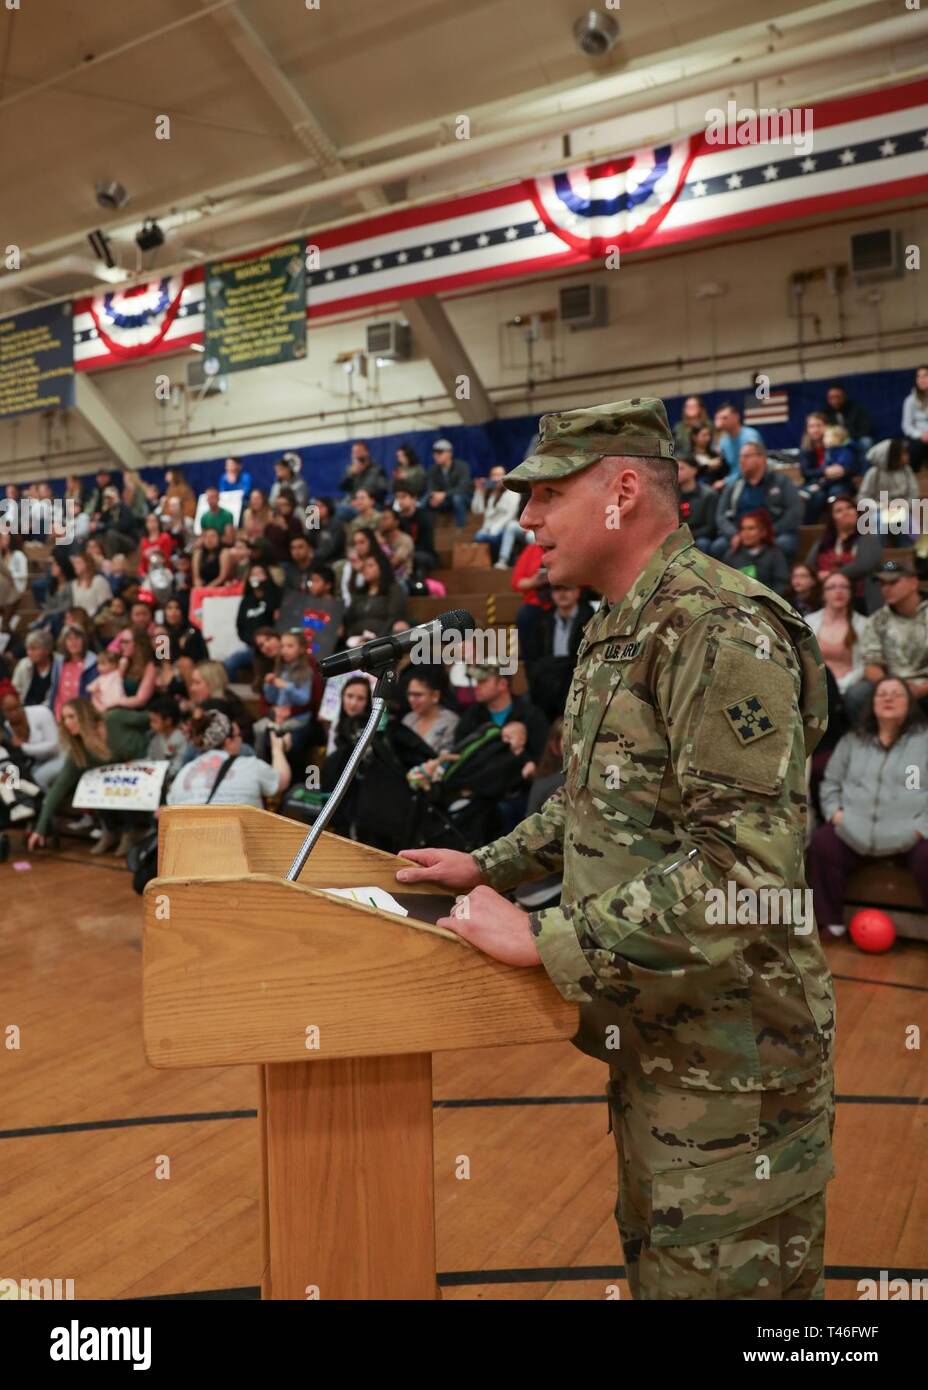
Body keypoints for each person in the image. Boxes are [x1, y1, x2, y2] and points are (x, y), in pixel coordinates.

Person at [395, 397, 834, 1302]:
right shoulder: (616, 624)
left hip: (734, 1073)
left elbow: (743, 877)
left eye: (547, 493)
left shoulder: (720, 628)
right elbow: (596, 806)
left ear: (622, 491)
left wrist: (553, 939)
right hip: (662, 1047)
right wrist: (491, 864)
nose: (526, 519)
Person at [810, 677, 928, 939]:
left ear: (910, 703)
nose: (888, 698)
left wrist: (921, 829)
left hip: (909, 836)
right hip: (854, 832)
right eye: (882, 694)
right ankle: (830, 923)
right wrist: (836, 815)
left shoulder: (924, 742)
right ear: (871, 703)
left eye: (897, 694)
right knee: (822, 842)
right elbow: (830, 784)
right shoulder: (853, 741)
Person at [27, 697, 151, 855]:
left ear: (84, 715)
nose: (67, 722)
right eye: (64, 718)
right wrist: (40, 829)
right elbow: (58, 788)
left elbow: (151, 718)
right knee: (96, 784)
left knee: (120, 782)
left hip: (149, 768)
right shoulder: (79, 751)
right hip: (120, 785)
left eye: (71, 716)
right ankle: (111, 832)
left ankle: (130, 833)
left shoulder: (114, 719)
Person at [844, 558, 928, 723]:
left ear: (913, 582)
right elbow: (871, 665)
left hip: (925, 686)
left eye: (893, 582)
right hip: (893, 683)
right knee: (857, 694)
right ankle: (870, 742)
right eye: (882, 584)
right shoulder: (877, 620)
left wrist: (921, 689)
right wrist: (892, 688)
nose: (886, 589)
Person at [167, 705, 290, 808]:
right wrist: (277, 749)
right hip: (242, 836)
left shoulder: (184, 773)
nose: (241, 740)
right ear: (228, 742)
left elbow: (170, 804)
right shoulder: (250, 766)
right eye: (238, 736)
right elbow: (282, 781)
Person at [711, 441, 802, 560]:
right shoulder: (734, 485)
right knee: (718, 547)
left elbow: (794, 512)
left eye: (746, 456)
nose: (741, 460)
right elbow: (721, 515)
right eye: (740, 457)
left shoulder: (781, 482)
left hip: (774, 532)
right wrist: (734, 534)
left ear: (761, 458)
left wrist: (769, 532)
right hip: (741, 533)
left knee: (785, 544)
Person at [526, 583, 595, 721]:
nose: (562, 594)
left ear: (577, 592)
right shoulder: (543, 620)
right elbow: (534, 657)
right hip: (547, 677)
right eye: (557, 589)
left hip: (574, 676)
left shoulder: (590, 619)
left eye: (567, 588)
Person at [805, 493, 883, 615]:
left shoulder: (868, 539)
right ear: (832, 518)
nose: (846, 512)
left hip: (861, 600)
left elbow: (863, 565)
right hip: (824, 599)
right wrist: (817, 574)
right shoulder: (823, 543)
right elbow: (809, 567)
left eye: (849, 508)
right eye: (839, 510)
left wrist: (830, 574)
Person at [804, 572, 867, 696]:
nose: (839, 591)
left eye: (844, 587)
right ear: (823, 594)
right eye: (832, 587)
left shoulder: (864, 624)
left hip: (850, 686)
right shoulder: (808, 622)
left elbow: (865, 666)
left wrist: (842, 685)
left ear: (850, 592)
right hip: (817, 687)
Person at [857, 439, 920, 539]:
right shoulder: (874, 473)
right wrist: (882, 506)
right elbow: (862, 499)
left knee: (908, 525)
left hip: (902, 510)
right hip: (878, 511)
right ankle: (877, 551)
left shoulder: (907, 471)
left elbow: (913, 494)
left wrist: (902, 505)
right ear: (893, 456)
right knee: (883, 522)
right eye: (903, 453)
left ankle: (907, 550)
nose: (907, 456)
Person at [799, 413, 855, 522]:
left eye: (819, 425)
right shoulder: (805, 448)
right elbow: (806, 472)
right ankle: (807, 526)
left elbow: (851, 466)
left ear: (826, 426)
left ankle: (840, 525)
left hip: (839, 481)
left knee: (837, 492)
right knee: (817, 496)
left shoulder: (838, 444)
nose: (815, 429)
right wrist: (825, 471)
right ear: (807, 429)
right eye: (811, 426)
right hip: (817, 482)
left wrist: (843, 470)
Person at [720, 509, 790, 595]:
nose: (745, 533)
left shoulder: (775, 554)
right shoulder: (732, 554)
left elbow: (781, 585)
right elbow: (723, 583)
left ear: (763, 532)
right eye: (743, 528)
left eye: (751, 528)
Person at [471, 464, 528, 567]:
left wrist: (495, 529)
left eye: (499, 475)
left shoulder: (512, 493)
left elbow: (510, 514)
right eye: (493, 475)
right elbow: (477, 510)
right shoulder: (490, 493)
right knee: (478, 537)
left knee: (495, 537)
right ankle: (491, 561)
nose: (496, 478)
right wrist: (478, 491)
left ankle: (505, 561)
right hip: (489, 528)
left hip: (504, 527)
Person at [344, 550, 408, 638]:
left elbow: (394, 618)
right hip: (355, 642)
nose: (365, 569)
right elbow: (349, 618)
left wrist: (377, 640)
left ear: (382, 568)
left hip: (382, 641)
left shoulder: (393, 589)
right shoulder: (360, 592)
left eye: (370, 566)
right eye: (364, 566)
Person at [402, 670, 459, 754]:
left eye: (418, 695)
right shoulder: (408, 720)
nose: (411, 699)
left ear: (435, 696)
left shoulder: (450, 721)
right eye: (409, 694)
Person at [425, 439, 473, 529]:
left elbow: (463, 487)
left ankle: (462, 529)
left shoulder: (462, 466)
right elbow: (430, 488)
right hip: (445, 501)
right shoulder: (433, 470)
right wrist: (433, 497)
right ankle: (430, 531)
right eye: (434, 453)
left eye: (439, 452)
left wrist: (445, 494)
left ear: (449, 453)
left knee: (457, 498)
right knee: (426, 502)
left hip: (463, 499)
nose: (436, 456)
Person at [821, 382, 873, 461]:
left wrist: (848, 439)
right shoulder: (825, 412)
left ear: (844, 396)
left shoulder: (856, 409)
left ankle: (864, 472)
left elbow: (866, 428)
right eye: (831, 398)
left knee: (866, 441)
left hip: (855, 439)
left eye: (838, 397)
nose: (835, 400)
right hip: (835, 441)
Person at [713, 401, 762, 482]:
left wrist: (726, 481)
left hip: (751, 480)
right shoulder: (724, 440)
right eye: (719, 419)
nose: (722, 422)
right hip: (733, 481)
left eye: (725, 418)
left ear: (736, 417)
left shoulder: (750, 436)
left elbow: (752, 467)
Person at [677, 454, 717, 551]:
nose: (677, 472)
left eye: (682, 468)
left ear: (694, 470)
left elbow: (710, 527)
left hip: (700, 536)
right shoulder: (673, 495)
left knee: (702, 543)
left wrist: (688, 535)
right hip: (678, 535)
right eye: (676, 469)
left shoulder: (709, 494)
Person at [901, 365, 928, 472]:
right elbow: (906, 427)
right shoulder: (910, 400)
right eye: (919, 376)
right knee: (914, 448)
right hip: (918, 437)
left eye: (925, 376)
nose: (922, 379)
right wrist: (921, 435)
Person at [86, 648, 126, 714]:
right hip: (105, 704)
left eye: (103, 664)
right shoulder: (100, 678)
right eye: (98, 664)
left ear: (114, 664)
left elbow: (123, 662)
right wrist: (95, 692)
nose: (99, 667)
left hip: (118, 703)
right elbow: (90, 688)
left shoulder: (117, 673)